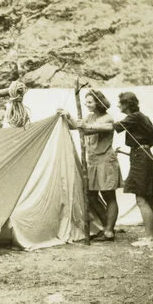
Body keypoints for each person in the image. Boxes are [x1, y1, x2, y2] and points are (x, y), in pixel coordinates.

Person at [62, 91, 153, 247]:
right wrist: (145, 147)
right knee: (147, 198)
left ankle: (149, 237)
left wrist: (141, 148)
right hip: (140, 155)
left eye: (120, 103)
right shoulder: (141, 117)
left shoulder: (134, 117)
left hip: (135, 158)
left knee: (142, 199)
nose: (118, 105)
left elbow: (111, 127)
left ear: (127, 104)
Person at [61, 88, 121, 241]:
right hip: (93, 161)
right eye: (86, 102)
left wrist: (80, 123)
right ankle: (107, 226)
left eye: (89, 102)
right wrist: (67, 116)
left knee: (109, 196)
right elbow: (76, 127)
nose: (86, 105)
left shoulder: (108, 118)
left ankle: (109, 231)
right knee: (90, 195)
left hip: (105, 161)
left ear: (98, 103)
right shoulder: (90, 116)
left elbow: (87, 130)